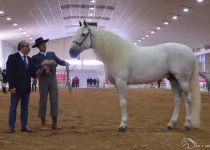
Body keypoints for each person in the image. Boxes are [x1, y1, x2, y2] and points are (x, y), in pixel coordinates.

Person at [32, 37, 69, 130]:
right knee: (43, 101)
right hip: (43, 79)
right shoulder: (35, 58)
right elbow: (34, 68)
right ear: (38, 47)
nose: (44, 45)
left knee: (54, 100)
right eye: (41, 44)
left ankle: (54, 124)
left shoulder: (52, 54)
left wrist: (67, 63)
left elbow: (59, 61)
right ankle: (43, 124)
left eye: (44, 43)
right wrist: (42, 63)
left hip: (53, 79)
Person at [6, 40, 36, 133]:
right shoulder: (13, 57)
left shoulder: (30, 59)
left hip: (26, 88)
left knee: (25, 108)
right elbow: (9, 73)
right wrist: (12, 86)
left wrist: (39, 71)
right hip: (16, 88)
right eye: (27, 46)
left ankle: (24, 126)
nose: (28, 48)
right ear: (21, 47)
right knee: (13, 108)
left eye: (28, 46)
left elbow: (32, 73)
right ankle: (11, 126)